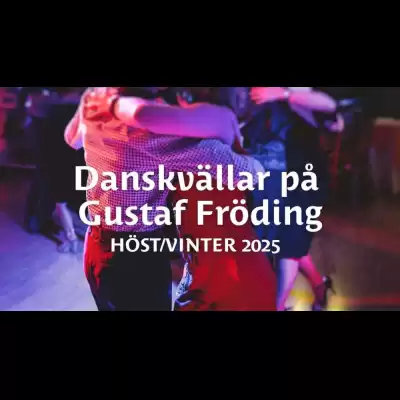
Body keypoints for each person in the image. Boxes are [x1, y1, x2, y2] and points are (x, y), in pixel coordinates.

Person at [65, 87, 263, 311]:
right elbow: (248, 174)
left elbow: (73, 139)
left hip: (95, 244)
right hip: (135, 257)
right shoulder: (155, 136)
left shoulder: (95, 97)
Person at [248, 87, 344, 311]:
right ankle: (319, 287)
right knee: (288, 242)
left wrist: (284, 95)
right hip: (273, 180)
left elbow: (331, 111)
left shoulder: (294, 95)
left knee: (289, 246)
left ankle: (276, 307)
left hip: (302, 181)